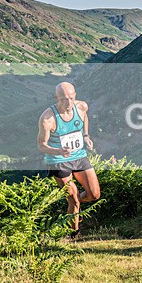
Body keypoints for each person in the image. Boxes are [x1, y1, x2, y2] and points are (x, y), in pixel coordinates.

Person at [37, 82, 100, 237]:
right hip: (58, 160)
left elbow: (84, 118)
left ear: (75, 95)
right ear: (56, 98)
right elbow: (41, 146)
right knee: (74, 200)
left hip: (79, 156)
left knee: (94, 194)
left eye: (71, 98)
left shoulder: (81, 107)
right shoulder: (48, 118)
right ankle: (74, 234)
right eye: (64, 99)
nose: (69, 103)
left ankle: (73, 208)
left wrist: (86, 136)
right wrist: (58, 150)